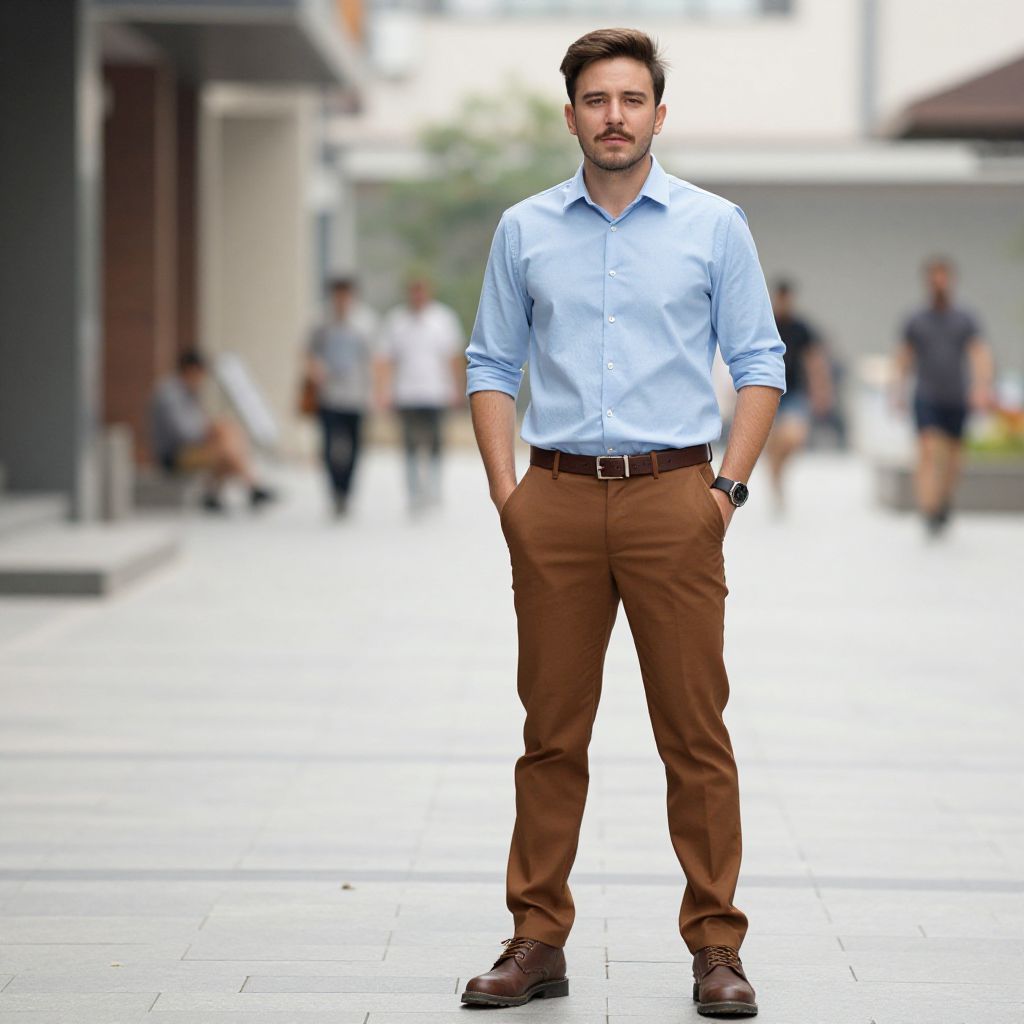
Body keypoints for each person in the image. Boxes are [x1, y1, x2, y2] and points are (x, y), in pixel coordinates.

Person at [461, 28, 785, 1018]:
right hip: (554, 498)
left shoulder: (714, 225)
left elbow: (760, 363)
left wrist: (724, 494)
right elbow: (491, 363)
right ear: (571, 116)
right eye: (597, 100)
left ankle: (717, 946)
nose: (614, 116)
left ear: (657, 113)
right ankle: (536, 937)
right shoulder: (524, 228)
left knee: (694, 733)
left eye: (631, 99)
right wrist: (509, 497)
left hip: (673, 497)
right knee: (550, 733)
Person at [893, 256, 994, 536]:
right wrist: (897, 390)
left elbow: (979, 354)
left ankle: (943, 498)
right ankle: (928, 508)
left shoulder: (965, 318)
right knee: (928, 450)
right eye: (934, 278)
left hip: (956, 396)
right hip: (927, 395)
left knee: (953, 458)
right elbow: (904, 357)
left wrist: (982, 387)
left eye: (943, 278)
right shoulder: (916, 319)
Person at [150, 350, 276, 513]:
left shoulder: (186, 392)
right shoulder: (170, 395)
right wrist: (208, 430)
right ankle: (251, 486)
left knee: (228, 435)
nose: (202, 380)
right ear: (191, 370)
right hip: (175, 455)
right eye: (201, 374)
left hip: (189, 448)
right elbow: (182, 433)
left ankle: (224, 492)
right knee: (226, 449)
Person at [377, 277, 465, 513]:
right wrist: (383, 391)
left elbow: (453, 357)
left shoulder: (443, 320)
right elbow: (386, 359)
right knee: (409, 443)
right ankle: (414, 490)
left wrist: (457, 388)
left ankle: (433, 487)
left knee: (436, 441)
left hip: (436, 392)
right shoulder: (396, 321)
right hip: (406, 393)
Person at [305, 277, 379, 518]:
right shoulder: (321, 322)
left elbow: (373, 359)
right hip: (329, 395)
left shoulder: (365, 323)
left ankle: (346, 491)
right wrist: (315, 370)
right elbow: (308, 352)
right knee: (328, 446)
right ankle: (334, 490)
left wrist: (375, 392)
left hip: (356, 395)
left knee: (354, 447)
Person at [764, 279, 833, 513]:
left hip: (794, 392)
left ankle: (778, 475)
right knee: (773, 445)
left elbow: (814, 360)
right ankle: (776, 486)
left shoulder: (801, 328)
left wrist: (821, 391)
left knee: (793, 438)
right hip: (768, 391)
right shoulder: (766, 323)